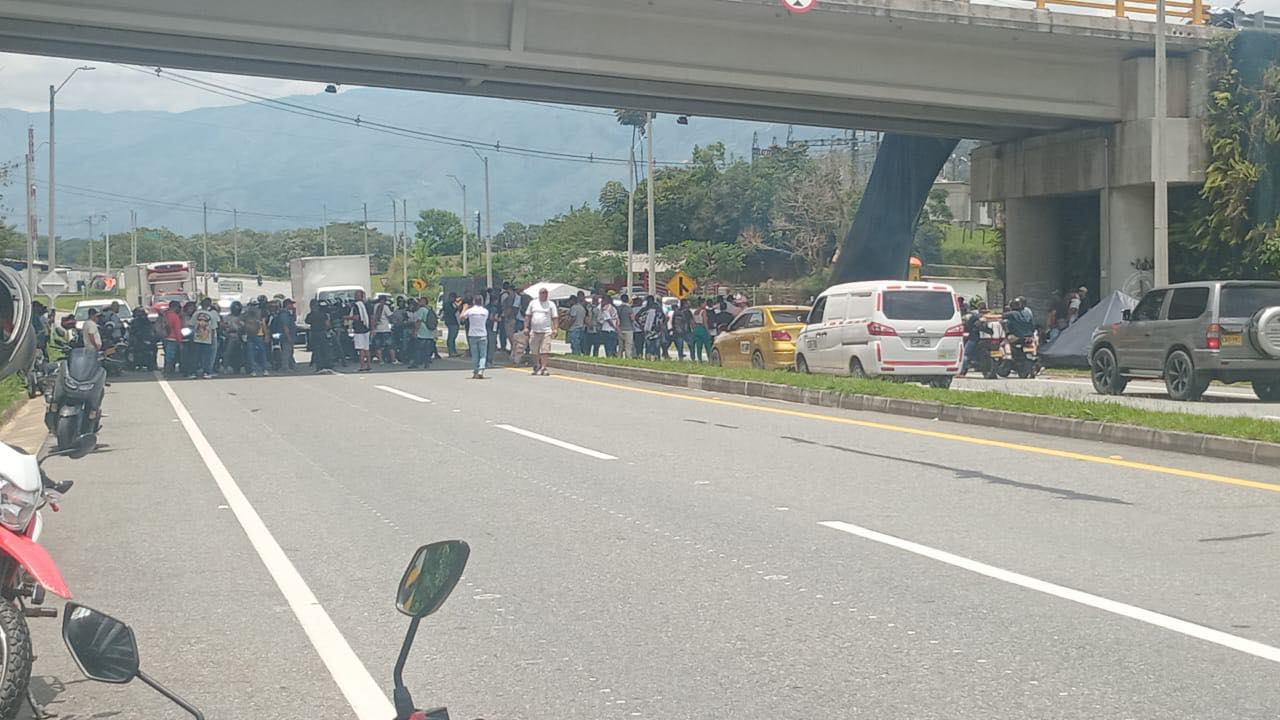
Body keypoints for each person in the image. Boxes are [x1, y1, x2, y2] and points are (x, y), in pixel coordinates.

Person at [525, 286, 556, 375]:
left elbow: (555, 317)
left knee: (545, 350)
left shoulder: (551, 304)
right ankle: (537, 365)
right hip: (535, 331)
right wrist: (526, 327)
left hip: (546, 331)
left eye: (545, 293)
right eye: (542, 293)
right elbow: (528, 316)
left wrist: (555, 329)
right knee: (534, 350)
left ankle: (544, 367)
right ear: (539, 294)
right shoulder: (533, 303)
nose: (543, 295)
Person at [461, 295, 490, 379]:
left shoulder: (470, 311)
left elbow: (462, 317)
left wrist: (464, 308)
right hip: (483, 334)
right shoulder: (485, 311)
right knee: (483, 355)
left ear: (474, 301)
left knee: (475, 355)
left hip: (473, 335)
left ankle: (475, 371)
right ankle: (481, 370)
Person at [958, 300, 988, 377]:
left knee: (966, 354)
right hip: (988, 339)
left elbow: (968, 325)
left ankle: (961, 372)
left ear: (978, 308)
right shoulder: (990, 315)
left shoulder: (975, 316)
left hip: (974, 338)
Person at [192, 298, 219, 378]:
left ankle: (193, 372)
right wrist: (213, 339)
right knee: (208, 356)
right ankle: (206, 372)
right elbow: (213, 328)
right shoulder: (211, 314)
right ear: (209, 305)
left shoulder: (196, 313)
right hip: (208, 338)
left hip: (197, 338)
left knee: (196, 356)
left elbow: (191, 324)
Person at [348, 289, 373, 372]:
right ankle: (369, 365)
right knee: (366, 348)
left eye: (356, 295)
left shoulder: (356, 305)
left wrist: (347, 317)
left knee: (361, 349)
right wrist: (372, 328)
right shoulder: (367, 305)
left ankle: (362, 366)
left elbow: (356, 317)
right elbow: (371, 317)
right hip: (366, 328)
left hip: (359, 329)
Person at [410, 298, 438, 369]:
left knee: (418, 349)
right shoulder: (429, 309)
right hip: (429, 332)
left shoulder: (421, 310)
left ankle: (416, 363)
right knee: (427, 350)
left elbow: (418, 321)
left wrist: (415, 331)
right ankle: (427, 363)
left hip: (421, 333)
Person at [243, 300, 269, 376]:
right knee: (252, 353)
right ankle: (254, 370)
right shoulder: (247, 314)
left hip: (257, 335)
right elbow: (241, 322)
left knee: (260, 353)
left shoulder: (259, 313)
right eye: (252, 305)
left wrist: (266, 335)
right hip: (251, 335)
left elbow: (263, 324)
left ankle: (263, 369)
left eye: (255, 305)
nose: (254, 307)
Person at [305, 299, 333, 372]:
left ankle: (319, 366)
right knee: (325, 349)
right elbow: (328, 324)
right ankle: (327, 365)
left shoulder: (310, 315)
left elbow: (307, 322)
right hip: (322, 333)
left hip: (314, 333)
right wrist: (328, 329)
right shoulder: (323, 314)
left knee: (316, 350)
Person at [271, 299, 298, 371]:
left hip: (289, 335)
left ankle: (292, 365)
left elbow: (294, 319)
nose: (293, 306)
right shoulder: (284, 314)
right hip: (286, 336)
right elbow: (285, 326)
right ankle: (285, 367)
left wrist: (294, 312)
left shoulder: (288, 313)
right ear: (287, 304)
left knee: (290, 351)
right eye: (291, 304)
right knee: (286, 351)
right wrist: (288, 336)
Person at [372, 294, 396, 365]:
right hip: (385, 328)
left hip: (377, 328)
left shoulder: (375, 306)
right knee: (390, 345)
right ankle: (393, 359)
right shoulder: (385, 307)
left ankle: (381, 360)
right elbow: (390, 316)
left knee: (378, 346)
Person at [162, 300, 184, 377]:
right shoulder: (175, 316)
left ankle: (167, 370)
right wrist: (180, 341)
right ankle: (168, 371)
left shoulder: (165, 315)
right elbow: (177, 330)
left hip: (165, 337)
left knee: (168, 355)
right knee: (171, 356)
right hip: (173, 338)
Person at [616, 294, 635, 358]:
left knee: (620, 346)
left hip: (620, 329)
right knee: (628, 345)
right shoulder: (629, 308)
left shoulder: (618, 308)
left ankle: (619, 357)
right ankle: (628, 357)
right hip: (629, 329)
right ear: (628, 300)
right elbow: (632, 318)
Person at [443, 292, 460, 357]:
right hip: (451, 322)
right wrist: (457, 308)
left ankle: (454, 351)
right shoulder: (448, 304)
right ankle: (451, 351)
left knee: (453, 337)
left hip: (455, 322)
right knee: (451, 338)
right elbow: (450, 312)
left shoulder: (453, 304)